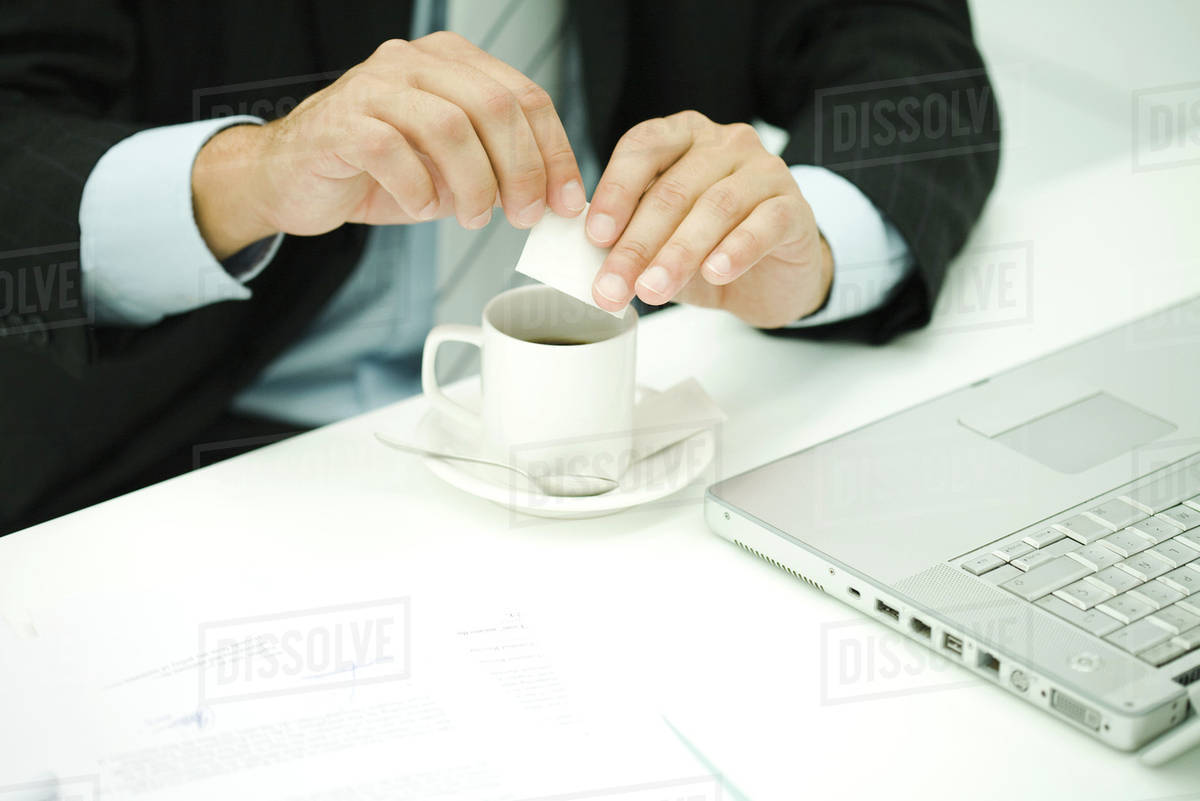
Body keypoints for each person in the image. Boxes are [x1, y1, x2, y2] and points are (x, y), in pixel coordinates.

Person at [0, 0, 1000, 533]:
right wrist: (247, 176)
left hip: (607, 451)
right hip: (187, 453)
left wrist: (808, 247)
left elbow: (911, 49)